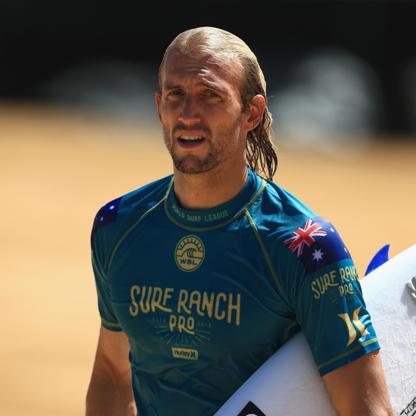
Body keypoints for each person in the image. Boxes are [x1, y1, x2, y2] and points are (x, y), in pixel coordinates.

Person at [86, 26, 393, 416]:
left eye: (210, 95)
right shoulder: (118, 227)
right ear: (159, 106)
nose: (188, 114)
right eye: (175, 94)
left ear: (252, 113)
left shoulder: (304, 247)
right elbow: (113, 374)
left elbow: (367, 408)